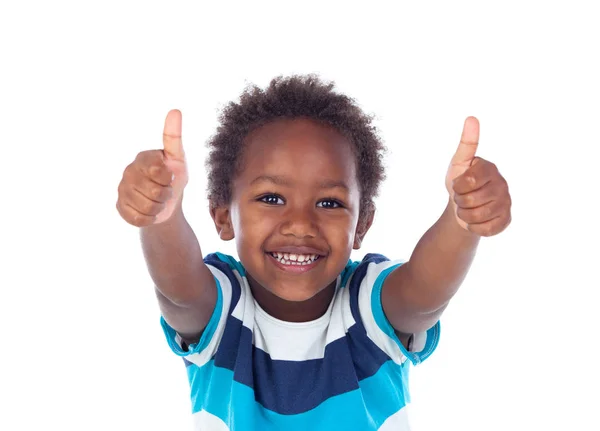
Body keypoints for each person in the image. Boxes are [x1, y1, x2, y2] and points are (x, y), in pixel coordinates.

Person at [116, 75, 511, 430]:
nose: (301, 224)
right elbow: (178, 290)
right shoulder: (224, 310)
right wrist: (161, 218)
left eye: (329, 203)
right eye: (271, 198)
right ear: (223, 217)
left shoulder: (366, 307)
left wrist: (461, 220)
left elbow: (424, 295)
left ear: (362, 225)